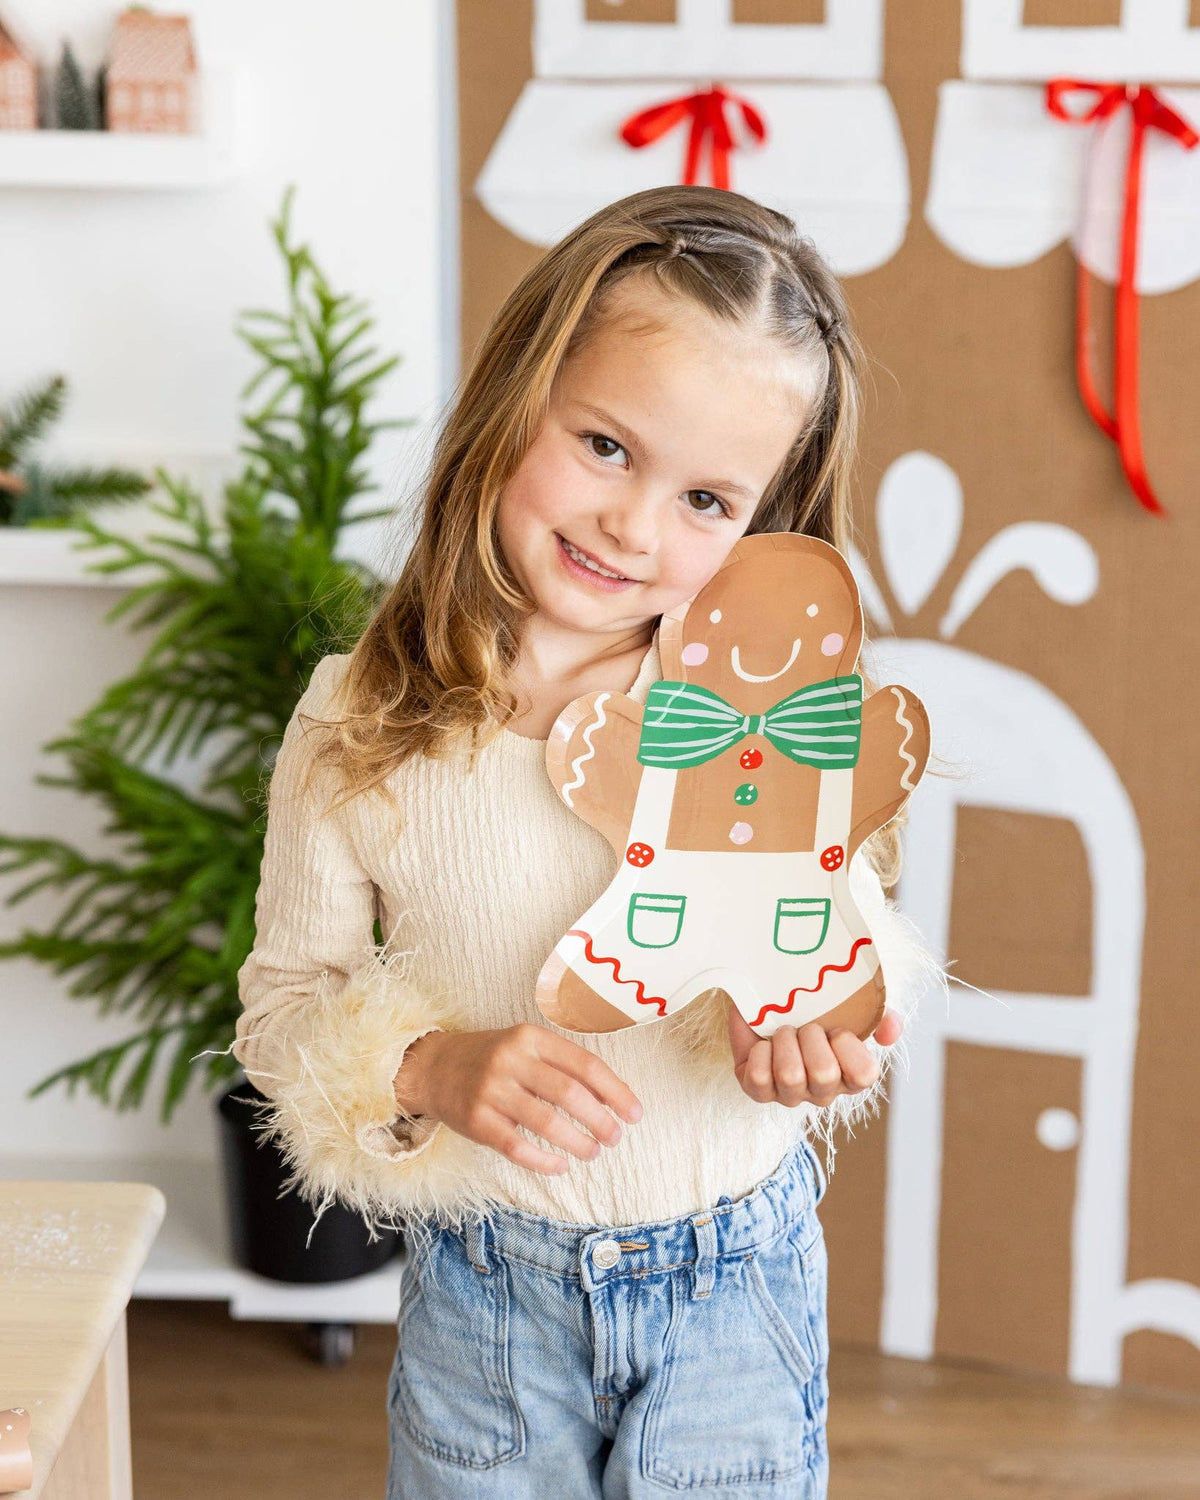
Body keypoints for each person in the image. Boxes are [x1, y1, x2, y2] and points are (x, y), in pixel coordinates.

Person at [233, 184, 950, 1499]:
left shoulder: (764, 722)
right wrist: (426, 1066)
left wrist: (832, 1025)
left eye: (708, 501)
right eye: (607, 446)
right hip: (487, 1300)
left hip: (740, 1292)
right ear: (518, 397)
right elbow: (284, 1008)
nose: (634, 525)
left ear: (762, 525)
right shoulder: (361, 722)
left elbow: (859, 939)